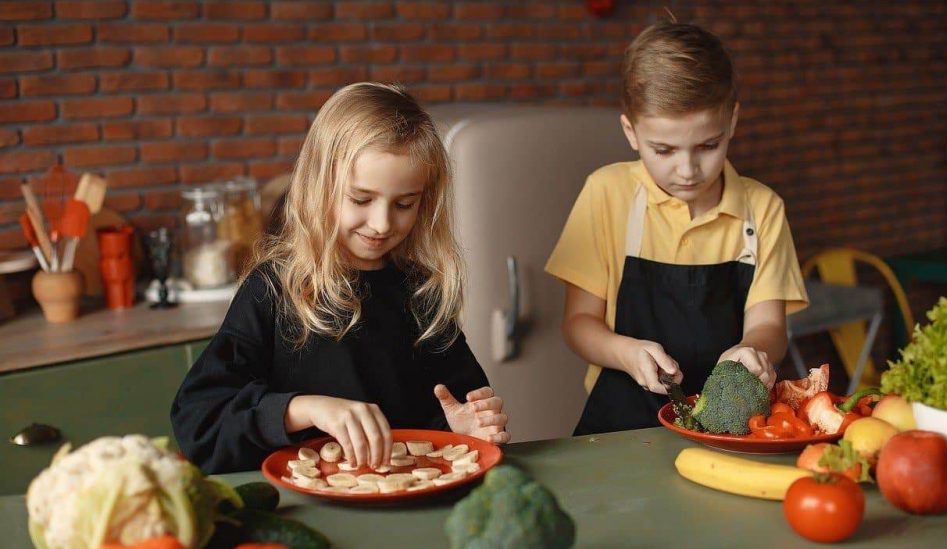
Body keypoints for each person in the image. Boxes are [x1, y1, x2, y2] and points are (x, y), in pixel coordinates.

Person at [172, 82, 511, 473]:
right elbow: (200, 424)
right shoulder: (272, 290)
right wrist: (302, 409)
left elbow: (451, 421)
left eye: (404, 204)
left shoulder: (422, 294)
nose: (382, 223)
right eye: (361, 199)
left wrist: (467, 430)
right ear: (320, 185)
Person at [545, 21, 808, 435]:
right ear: (631, 132)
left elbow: (771, 327)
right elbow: (578, 323)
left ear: (732, 122)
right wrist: (626, 352)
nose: (687, 170)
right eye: (664, 150)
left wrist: (751, 350)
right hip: (621, 424)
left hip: (729, 429)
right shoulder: (607, 193)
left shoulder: (762, 209)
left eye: (708, 146)